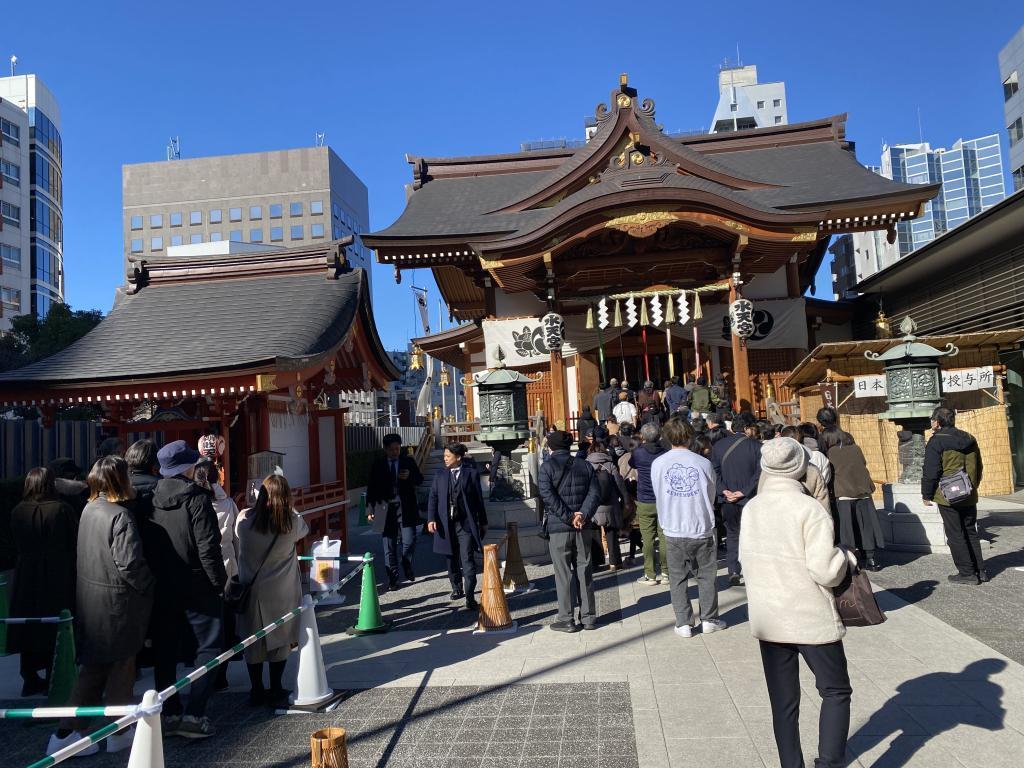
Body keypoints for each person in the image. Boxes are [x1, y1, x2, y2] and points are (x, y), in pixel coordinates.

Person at [740, 437, 856, 768]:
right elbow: (825, 570)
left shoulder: (753, 508)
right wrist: (845, 558)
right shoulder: (809, 509)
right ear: (800, 466)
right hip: (808, 614)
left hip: (769, 615)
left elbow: (746, 561)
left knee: (783, 702)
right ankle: (830, 763)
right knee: (835, 690)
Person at [47, 456, 153, 756]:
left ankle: (66, 733)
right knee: (121, 668)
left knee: (92, 671)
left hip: (90, 600)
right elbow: (130, 563)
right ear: (121, 480)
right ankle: (119, 729)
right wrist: (149, 584)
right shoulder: (120, 516)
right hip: (118, 602)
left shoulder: (88, 510)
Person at [150, 440, 227, 738]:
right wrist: (219, 583)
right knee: (208, 647)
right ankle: (195, 713)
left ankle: (167, 713)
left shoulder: (150, 497)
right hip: (197, 583)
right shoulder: (196, 498)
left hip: (162, 584)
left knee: (166, 649)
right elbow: (209, 547)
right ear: (188, 466)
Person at [236, 473, 309, 707]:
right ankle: (276, 686)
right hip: (281, 592)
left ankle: (256, 688)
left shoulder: (245, 522)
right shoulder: (292, 523)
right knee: (280, 642)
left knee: (253, 644)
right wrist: (291, 507)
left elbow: (236, 533)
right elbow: (304, 528)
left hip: (252, 593)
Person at [651, 419, 726, 637]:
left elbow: (659, 493)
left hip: (673, 526)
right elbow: (711, 493)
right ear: (689, 436)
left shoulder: (659, 464)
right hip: (700, 524)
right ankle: (709, 618)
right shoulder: (703, 463)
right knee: (706, 576)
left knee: (677, 577)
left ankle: (683, 622)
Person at [8, 468, 77, 697]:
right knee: (55, 623)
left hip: (26, 572)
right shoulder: (61, 509)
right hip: (57, 571)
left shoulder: (18, 511)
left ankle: (28, 677)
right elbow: (72, 540)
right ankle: (52, 676)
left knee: (27, 623)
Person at [538, 430, 601, 632]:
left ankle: (566, 618)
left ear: (551, 447)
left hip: (559, 527)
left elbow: (547, 496)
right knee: (585, 569)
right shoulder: (585, 465)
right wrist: (582, 514)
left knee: (563, 573)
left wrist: (568, 516)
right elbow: (595, 492)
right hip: (583, 526)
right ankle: (589, 616)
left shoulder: (547, 467)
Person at [921, 406, 986, 584]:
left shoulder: (936, 442)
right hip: (969, 491)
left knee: (955, 534)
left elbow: (931, 471)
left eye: (933, 419)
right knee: (970, 531)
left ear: (938, 422)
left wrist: (926, 494)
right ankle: (980, 571)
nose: (931, 423)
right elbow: (979, 466)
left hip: (948, 495)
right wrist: (973, 485)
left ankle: (967, 573)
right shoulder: (969, 438)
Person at [193, 458, 240, 691]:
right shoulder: (228, 503)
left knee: (205, 625)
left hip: (202, 570)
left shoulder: (194, 502)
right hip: (228, 566)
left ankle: (205, 673)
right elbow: (236, 536)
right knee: (226, 623)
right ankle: (222, 672)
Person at [427, 443, 487, 610]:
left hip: (465, 523)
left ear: (458, 457)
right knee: (450, 557)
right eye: (444, 456)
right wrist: (431, 519)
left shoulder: (471, 474)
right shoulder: (440, 475)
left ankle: (470, 595)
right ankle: (456, 588)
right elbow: (433, 497)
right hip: (446, 523)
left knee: (467, 558)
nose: (445, 458)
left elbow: (478, 499)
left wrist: (483, 521)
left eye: (448, 456)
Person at [366, 434, 424, 590]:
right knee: (389, 546)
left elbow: (420, 479)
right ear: (385, 449)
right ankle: (393, 579)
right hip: (385, 508)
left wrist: (410, 476)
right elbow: (371, 487)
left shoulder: (408, 461)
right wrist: (369, 509)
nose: (395, 452)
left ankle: (406, 562)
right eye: (391, 449)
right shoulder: (378, 464)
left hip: (405, 507)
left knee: (410, 540)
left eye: (397, 449)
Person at [711, 411, 762, 587]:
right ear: (747, 428)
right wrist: (744, 491)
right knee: (751, 534)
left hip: (727, 499)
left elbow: (714, 471)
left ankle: (733, 570)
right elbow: (759, 473)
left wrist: (724, 490)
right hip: (749, 498)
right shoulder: (757, 446)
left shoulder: (718, 446)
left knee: (732, 533)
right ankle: (752, 570)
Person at [823, 430, 884, 572]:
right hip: (863, 491)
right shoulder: (856, 449)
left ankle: (850, 561)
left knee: (847, 529)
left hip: (843, 493)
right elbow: (863, 463)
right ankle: (871, 558)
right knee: (865, 526)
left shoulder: (831, 452)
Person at [629, 422, 669, 585]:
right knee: (664, 536)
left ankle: (650, 574)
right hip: (663, 499)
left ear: (643, 437)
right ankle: (666, 572)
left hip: (644, 499)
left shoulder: (638, 453)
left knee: (648, 538)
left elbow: (632, 465)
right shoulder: (666, 453)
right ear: (659, 436)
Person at [586, 440, 630, 571]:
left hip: (592, 505)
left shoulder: (586, 464)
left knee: (594, 533)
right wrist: (625, 499)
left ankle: (597, 561)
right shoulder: (610, 464)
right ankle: (614, 563)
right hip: (610, 504)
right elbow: (619, 484)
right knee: (611, 534)